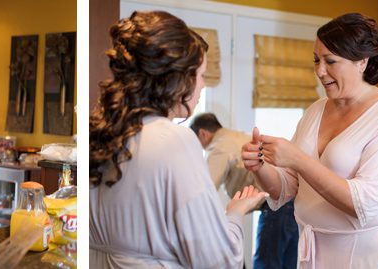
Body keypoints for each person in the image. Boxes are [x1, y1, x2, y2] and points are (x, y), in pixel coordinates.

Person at [90, 11, 268, 269]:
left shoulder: (99, 133)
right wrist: (235, 213)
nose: (203, 86)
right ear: (178, 78)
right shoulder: (174, 140)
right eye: (202, 75)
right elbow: (217, 261)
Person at [241, 13, 378, 268]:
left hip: (365, 258)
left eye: (330, 61)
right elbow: (286, 188)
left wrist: (298, 159)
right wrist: (261, 167)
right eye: (316, 60)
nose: (320, 71)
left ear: (362, 61)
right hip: (313, 254)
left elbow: (364, 205)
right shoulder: (315, 111)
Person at [190, 113, 299, 269]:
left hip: (276, 204)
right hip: (292, 200)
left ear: (203, 134)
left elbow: (205, 189)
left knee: (265, 264)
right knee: (289, 263)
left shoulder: (219, 146)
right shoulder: (237, 136)